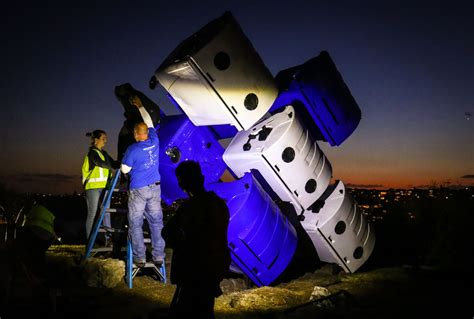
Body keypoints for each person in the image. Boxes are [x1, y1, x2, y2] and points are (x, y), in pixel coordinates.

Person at [162, 160, 231, 319]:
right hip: (214, 268)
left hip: (195, 271)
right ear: (201, 178)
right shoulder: (219, 203)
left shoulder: (190, 208)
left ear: (183, 184)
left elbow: (168, 232)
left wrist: (183, 247)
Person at [121, 95, 165, 268]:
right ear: (146, 133)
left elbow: (125, 169)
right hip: (155, 189)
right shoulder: (155, 140)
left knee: (135, 223)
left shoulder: (132, 149)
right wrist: (140, 106)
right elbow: (149, 122)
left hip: (138, 190)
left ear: (135, 134)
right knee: (156, 223)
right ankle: (158, 256)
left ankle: (139, 258)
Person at [81, 130, 119, 240]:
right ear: (96, 140)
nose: (105, 141)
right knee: (92, 214)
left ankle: (108, 240)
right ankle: (89, 242)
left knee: (106, 213)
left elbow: (113, 163)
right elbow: (101, 163)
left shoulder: (105, 154)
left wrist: (123, 161)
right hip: (93, 187)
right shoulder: (92, 152)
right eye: (103, 139)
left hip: (105, 187)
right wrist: (112, 165)